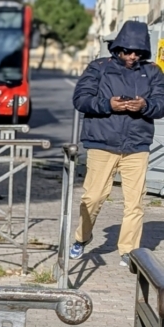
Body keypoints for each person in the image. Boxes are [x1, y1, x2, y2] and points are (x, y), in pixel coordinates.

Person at [70, 20, 164, 267]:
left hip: (137, 146)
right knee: (93, 197)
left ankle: (129, 250)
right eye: (128, 51)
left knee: (135, 202)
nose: (132, 56)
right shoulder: (99, 67)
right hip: (102, 142)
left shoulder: (153, 71)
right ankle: (81, 238)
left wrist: (144, 106)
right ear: (118, 48)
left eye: (137, 52)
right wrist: (107, 104)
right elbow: (80, 99)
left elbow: (161, 105)